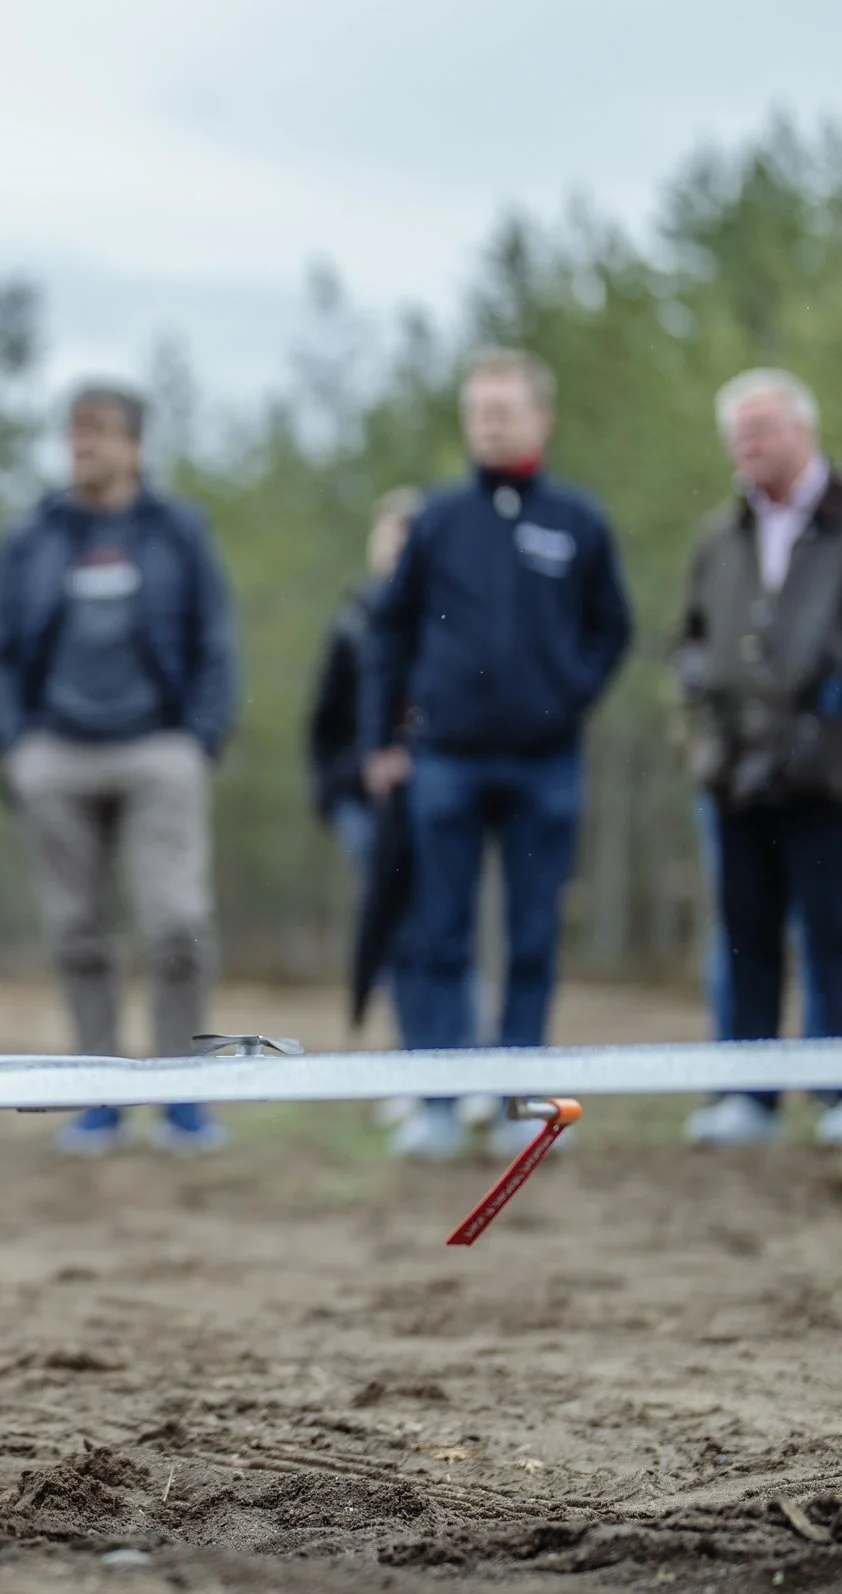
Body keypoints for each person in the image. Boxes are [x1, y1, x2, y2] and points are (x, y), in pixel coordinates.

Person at [362, 348, 631, 1161]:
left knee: (531, 939)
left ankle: (523, 1104)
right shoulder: (438, 521)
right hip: (445, 761)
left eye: (504, 410)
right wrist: (385, 735)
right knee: (438, 934)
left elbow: (611, 629)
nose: (490, 423)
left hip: (545, 764)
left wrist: (567, 695)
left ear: (540, 418)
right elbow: (390, 629)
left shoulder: (577, 521)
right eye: (478, 411)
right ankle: (439, 1105)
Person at [678, 369, 842, 1154]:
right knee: (744, 938)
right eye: (737, 434)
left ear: (804, 429)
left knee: (835, 935)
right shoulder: (719, 537)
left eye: (762, 429)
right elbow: (691, 638)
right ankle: (748, 1095)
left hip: (826, 771)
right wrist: (700, 708)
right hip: (736, 776)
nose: (748, 446)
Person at [0, 382, 237, 1155]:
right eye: (74, 434)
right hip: (56, 751)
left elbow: (216, 638)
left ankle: (182, 1092)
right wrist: (17, 746)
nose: (82, 446)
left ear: (135, 446)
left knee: (177, 922)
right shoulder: (35, 535)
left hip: (158, 747)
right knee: (77, 930)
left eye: (97, 434)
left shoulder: (177, 530)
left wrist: (199, 737)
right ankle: (98, 1094)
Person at [308, 487, 422, 875]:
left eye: (407, 534)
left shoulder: (444, 622)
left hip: (432, 786)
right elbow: (325, 719)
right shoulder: (351, 623)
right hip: (361, 794)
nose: (396, 546)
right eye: (389, 534)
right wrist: (331, 792)